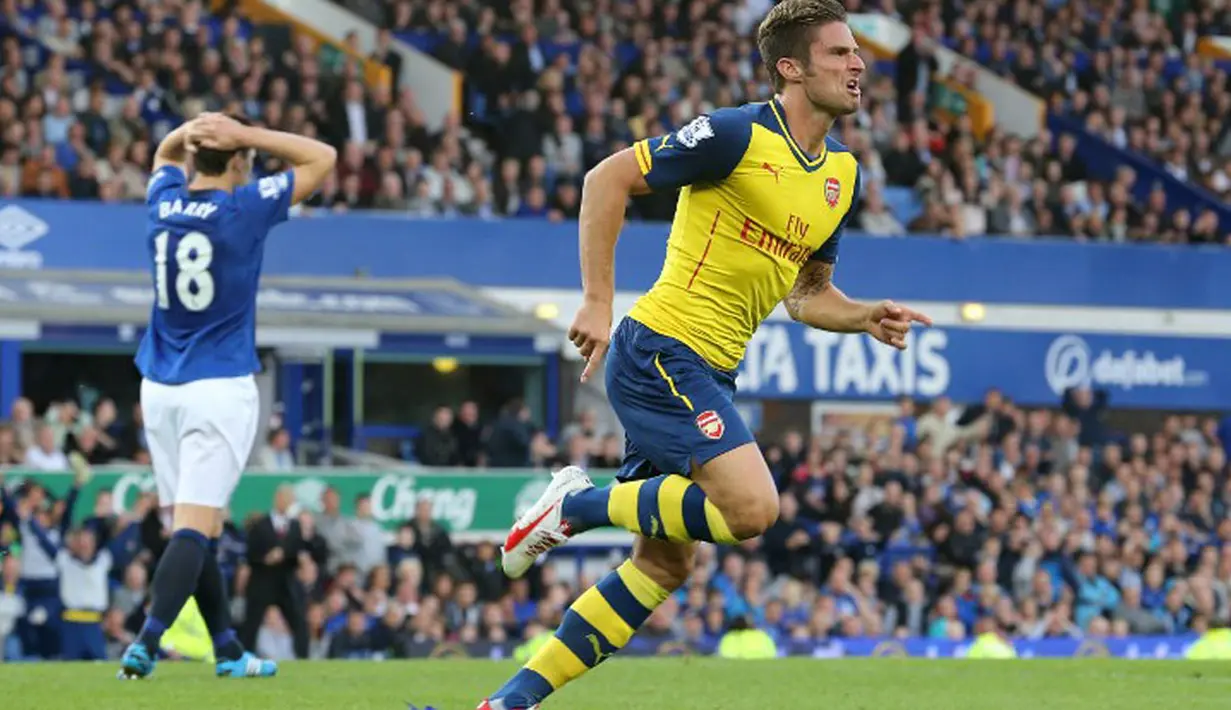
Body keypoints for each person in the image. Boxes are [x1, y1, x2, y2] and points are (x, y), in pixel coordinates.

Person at [482, 2, 932, 707]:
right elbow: (606, 179)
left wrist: (863, 315)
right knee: (752, 510)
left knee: (663, 565)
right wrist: (598, 302)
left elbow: (807, 296)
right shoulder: (733, 133)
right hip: (662, 346)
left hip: (709, 367)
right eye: (839, 53)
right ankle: (579, 504)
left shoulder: (840, 174)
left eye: (856, 54)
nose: (858, 65)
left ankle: (506, 702)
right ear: (790, 67)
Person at [118, 111, 336, 680]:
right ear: (237, 159)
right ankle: (147, 639)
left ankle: (228, 649)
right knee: (193, 528)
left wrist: (190, 130)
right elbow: (323, 157)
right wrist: (246, 134)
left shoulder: (163, 200)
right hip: (219, 387)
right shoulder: (245, 207)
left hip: (159, 387)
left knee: (201, 525)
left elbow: (163, 158)